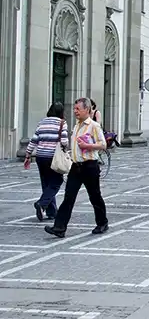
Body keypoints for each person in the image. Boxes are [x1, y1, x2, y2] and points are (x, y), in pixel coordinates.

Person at [44, 97, 108, 238]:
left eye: (78, 109)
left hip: (90, 166)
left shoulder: (93, 126)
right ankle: (59, 228)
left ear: (87, 109)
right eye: (74, 109)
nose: (75, 111)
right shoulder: (76, 126)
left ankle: (102, 222)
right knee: (68, 197)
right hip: (76, 166)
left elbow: (103, 145)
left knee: (95, 196)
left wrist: (88, 146)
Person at [24, 102, 70, 221]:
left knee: (46, 184)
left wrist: (28, 155)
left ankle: (52, 211)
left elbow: (34, 140)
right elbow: (64, 141)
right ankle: (42, 204)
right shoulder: (62, 123)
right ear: (61, 112)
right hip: (53, 157)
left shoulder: (42, 122)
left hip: (41, 157)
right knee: (56, 182)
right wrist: (66, 148)